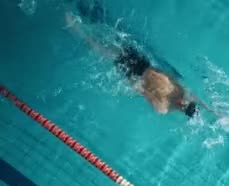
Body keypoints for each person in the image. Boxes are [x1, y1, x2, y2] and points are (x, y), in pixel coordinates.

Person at [64, 4, 207, 118]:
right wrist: (220, 115)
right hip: (139, 66)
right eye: (187, 104)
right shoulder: (173, 98)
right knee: (105, 42)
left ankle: (78, 24)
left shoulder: (166, 104)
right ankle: (83, 18)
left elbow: (142, 90)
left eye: (185, 106)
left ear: (185, 108)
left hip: (136, 68)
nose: (184, 103)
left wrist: (131, 82)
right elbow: (142, 90)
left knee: (101, 44)